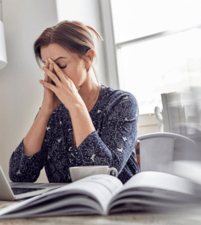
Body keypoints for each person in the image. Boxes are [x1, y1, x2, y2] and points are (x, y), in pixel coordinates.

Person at [9, 20, 140, 184]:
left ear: (88, 59)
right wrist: (44, 112)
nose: (54, 75)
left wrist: (76, 106)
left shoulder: (122, 103)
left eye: (61, 65)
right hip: (66, 207)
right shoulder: (52, 112)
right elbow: (20, 175)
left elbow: (104, 173)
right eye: (48, 68)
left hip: (116, 205)